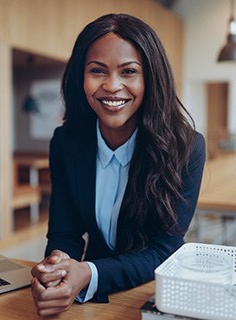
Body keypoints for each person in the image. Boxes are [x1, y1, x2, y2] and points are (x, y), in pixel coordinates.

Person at [30, 13, 206, 317]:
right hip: (90, 296)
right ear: (80, 78)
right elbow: (64, 232)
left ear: (150, 79)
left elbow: (164, 250)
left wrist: (87, 273)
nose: (112, 86)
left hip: (150, 293)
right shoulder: (66, 142)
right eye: (97, 70)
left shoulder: (185, 148)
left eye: (128, 72)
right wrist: (57, 269)